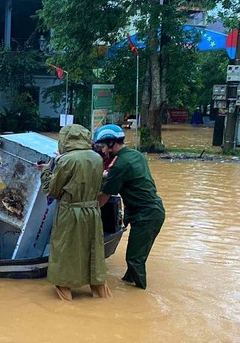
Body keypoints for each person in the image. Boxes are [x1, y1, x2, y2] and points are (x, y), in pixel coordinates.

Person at [37, 124, 112, 301]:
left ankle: (66, 299)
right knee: (92, 250)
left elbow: (52, 191)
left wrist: (46, 171)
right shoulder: (97, 158)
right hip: (93, 211)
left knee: (64, 252)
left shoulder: (66, 161)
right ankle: (101, 294)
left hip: (70, 212)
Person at [95, 124, 165, 290]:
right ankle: (128, 283)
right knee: (136, 256)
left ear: (112, 143)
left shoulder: (120, 165)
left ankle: (140, 296)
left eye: (104, 146)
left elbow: (104, 197)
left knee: (134, 259)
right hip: (152, 211)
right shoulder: (135, 155)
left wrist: (86, 211)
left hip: (145, 215)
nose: (103, 151)